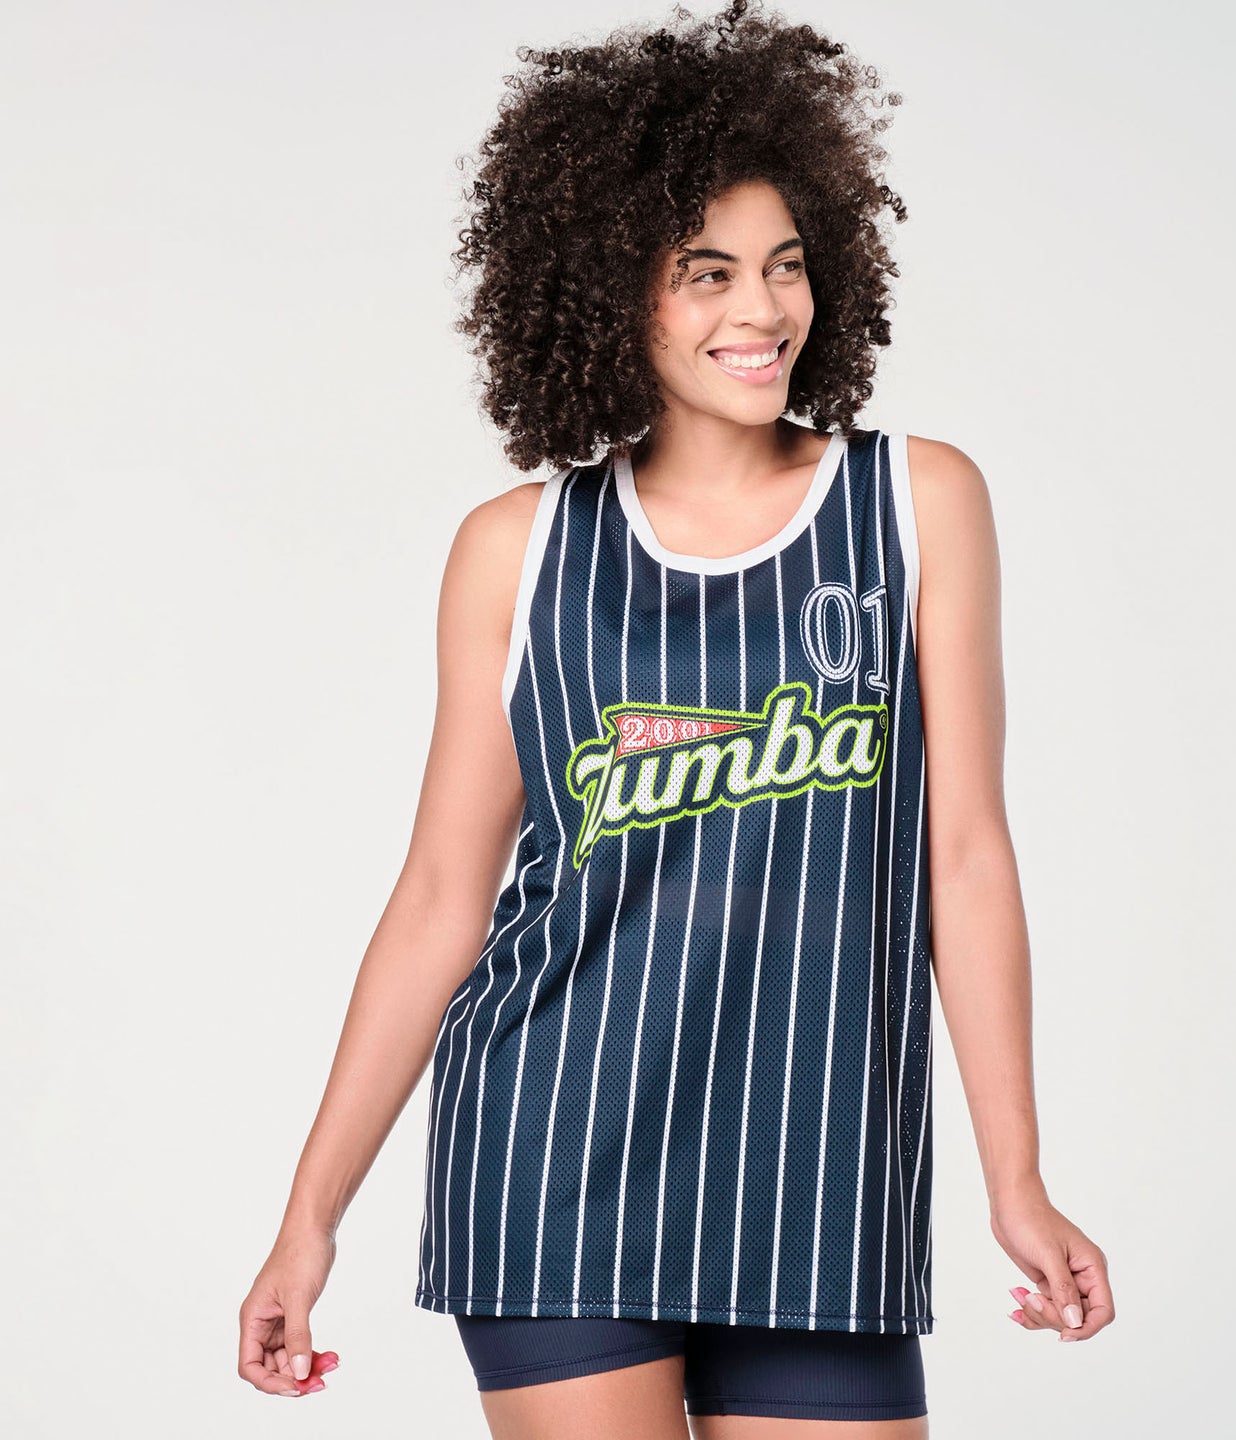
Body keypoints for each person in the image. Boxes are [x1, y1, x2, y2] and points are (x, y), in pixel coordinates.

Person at [236, 1, 1115, 1433]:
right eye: (706, 274)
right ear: (609, 290)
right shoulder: (518, 552)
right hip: (554, 1158)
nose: (761, 312)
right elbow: (444, 895)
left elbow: (963, 857)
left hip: (822, 1176)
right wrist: (308, 1216)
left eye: (785, 265)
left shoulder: (917, 505)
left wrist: (1016, 1176)